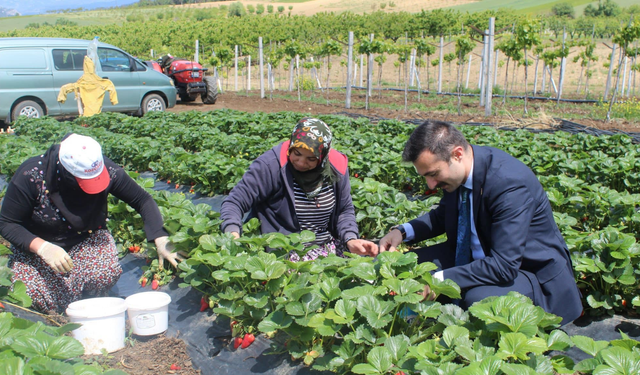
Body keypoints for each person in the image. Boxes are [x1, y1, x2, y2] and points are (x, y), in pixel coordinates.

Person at [378, 120, 582, 324]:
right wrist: (402, 232)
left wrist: (437, 280)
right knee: (402, 266)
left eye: (433, 174)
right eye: (425, 176)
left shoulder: (509, 184)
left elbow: (504, 266)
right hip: (477, 256)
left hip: (529, 272)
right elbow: (443, 215)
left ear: (457, 154)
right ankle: (405, 321)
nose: (430, 184)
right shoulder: (459, 174)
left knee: (478, 301)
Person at [0, 133, 184, 312]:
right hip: (39, 251)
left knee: (105, 272)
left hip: (84, 240)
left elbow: (142, 200)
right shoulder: (32, 175)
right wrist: (42, 247)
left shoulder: (102, 168)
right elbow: (6, 223)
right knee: (31, 293)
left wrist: (160, 237)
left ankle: (90, 307)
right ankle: (56, 316)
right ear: (67, 173)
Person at [220, 117, 377, 261]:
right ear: (291, 145)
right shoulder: (271, 165)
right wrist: (232, 232)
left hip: (327, 244)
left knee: (361, 274)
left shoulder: (336, 169)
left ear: (322, 157)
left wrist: (351, 238)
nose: (301, 163)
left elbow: (344, 209)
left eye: (311, 159)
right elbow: (235, 201)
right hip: (286, 250)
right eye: (297, 153)